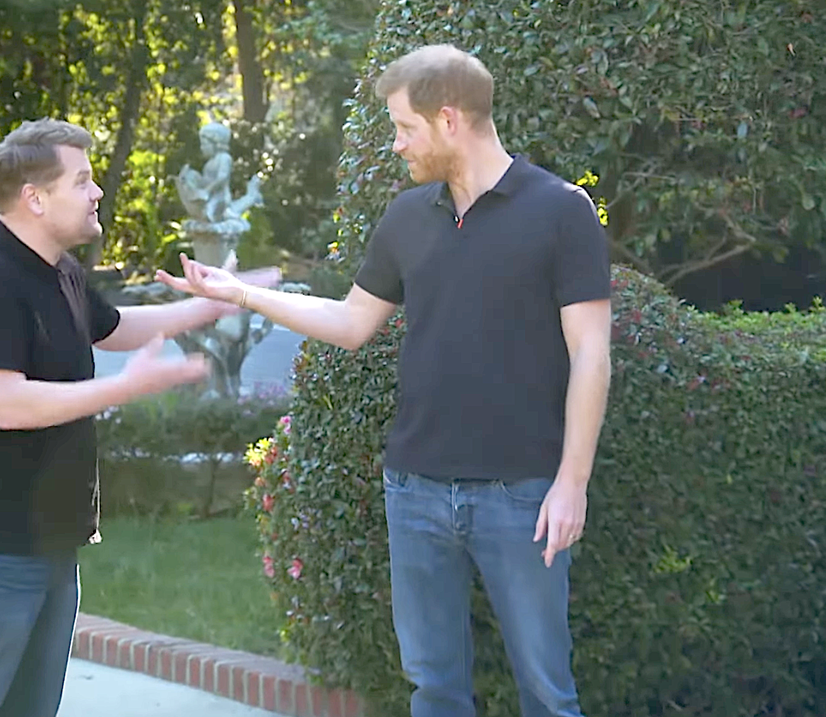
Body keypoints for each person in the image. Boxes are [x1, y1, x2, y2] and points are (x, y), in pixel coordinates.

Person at [156, 44, 611, 717]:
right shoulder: (406, 218)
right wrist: (237, 294)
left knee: (546, 692)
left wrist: (571, 482)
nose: (397, 144)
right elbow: (349, 321)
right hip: (416, 491)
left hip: (523, 496)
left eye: (404, 127)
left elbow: (592, 354)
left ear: (449, 119)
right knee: (434, 689)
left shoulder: (561, 211)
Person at [0, 117, 277, 717]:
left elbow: (116, 330)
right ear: (35, 197)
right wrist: (127, 389)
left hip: (48, 538)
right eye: (81, 180)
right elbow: (9, 404)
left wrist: (220, 301)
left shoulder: (59, 269)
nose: (97, 191)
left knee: (28, 708)